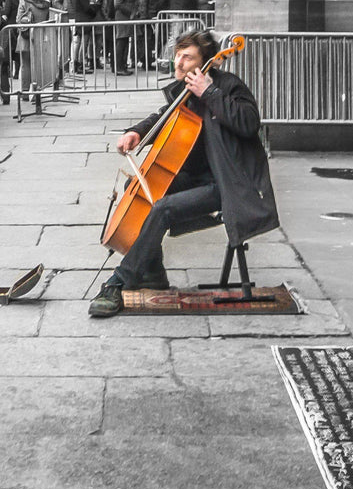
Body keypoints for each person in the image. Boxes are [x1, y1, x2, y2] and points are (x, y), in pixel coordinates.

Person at [89, 29, 279, 318]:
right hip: (195, 177)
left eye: (187, 57)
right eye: (177, 56)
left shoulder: (228, 86)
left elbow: (249, 123)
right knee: (143, 188)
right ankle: (152, 272)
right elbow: (164, 116)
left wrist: (210, 92)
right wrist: (136, 132)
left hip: (226, 182)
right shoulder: (186, 92)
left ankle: (120, 281)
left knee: (163, 208)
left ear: (208, 61)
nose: (178, 63)